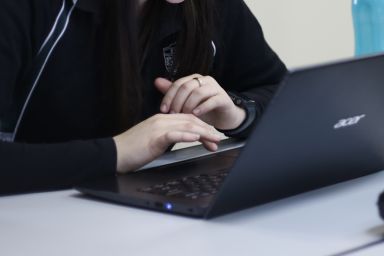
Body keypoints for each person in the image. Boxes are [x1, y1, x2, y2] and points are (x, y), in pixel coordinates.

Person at [0, 0, 287, 194]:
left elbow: (282, 95)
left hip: (140, 217)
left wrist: (237, 113)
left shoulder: (208, 7)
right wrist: (119, 152)